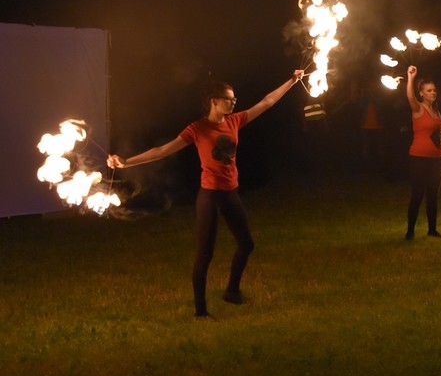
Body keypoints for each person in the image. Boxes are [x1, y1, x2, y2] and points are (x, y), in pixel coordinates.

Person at [107, 70, 305, 318]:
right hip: (209, 196)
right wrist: (126, 162)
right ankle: (200, 312)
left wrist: (292, 80)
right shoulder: (197, 129)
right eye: (229, 99)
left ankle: (232, 291)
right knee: (205, 254)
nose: (234, 102)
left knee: (247, 244)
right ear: (214, 101)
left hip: (230, 193)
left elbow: (267, 101)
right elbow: (161, 151)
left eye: (234, 99)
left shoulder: (235, 121)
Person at [405, 65, 441, 240]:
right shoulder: (418, 108)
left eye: (434, 90)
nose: (433, 93)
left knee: (433, 195)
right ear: (422, 93)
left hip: (438, 158)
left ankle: (432, 230)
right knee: (417, 194)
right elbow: (409, 96)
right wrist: (411, 77)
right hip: (419, 158)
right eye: (429, 90)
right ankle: (410, 231)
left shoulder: (436, 111)